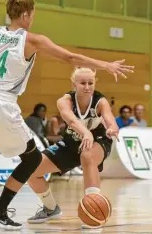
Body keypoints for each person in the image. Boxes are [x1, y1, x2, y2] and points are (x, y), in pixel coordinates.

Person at [0, 0, 133, 230]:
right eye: (33, 14)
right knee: (33, 158)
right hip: (1, 102)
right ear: (25, 15)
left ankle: (12, 209)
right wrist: (105, 65)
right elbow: (70, 58)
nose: (33, 19)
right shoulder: (32, 39)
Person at [26, 67, 118, 226]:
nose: (87, 86)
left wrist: (112, 128)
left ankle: (93, 207)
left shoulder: (100, 102)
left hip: (99, 140)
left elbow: (110, 119)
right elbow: (72, 121)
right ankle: (50, 208)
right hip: (72, 142)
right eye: (83, 83)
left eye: (91, 83)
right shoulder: (64, 101)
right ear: (74, 84)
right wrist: (85, 133)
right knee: (30, 169)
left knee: (87, 155)